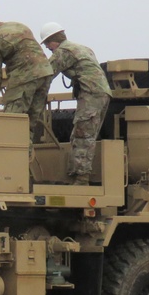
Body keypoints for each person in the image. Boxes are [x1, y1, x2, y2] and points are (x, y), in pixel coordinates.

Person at [39, 23, 114, 185]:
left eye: (47, 44)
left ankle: (81, 179)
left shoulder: (62, 53)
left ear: (53, 41)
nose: (47, 48)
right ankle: (80, 175)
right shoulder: (82, 48)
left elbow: (45, 75)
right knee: (84, 135)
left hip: (91, 95)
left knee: (83, 135)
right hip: (101, 93)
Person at [0, 5, 54, 143]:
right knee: (28, 126)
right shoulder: (17, 26)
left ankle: (14, 163)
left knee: (11, 126)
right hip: (45, 74)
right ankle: (25, 161)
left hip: (25, 77)